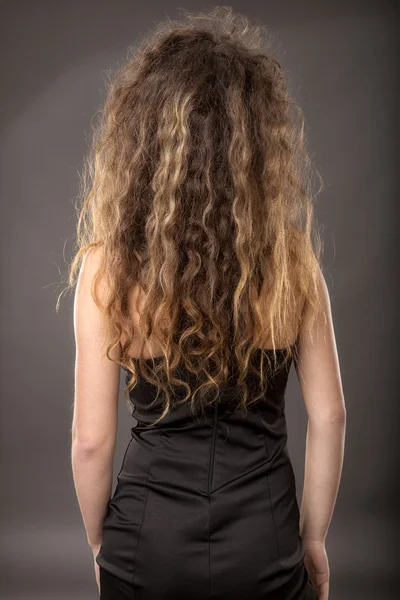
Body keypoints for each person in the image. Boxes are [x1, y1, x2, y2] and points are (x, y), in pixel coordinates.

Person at [67, 7, 346, 600]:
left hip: (146, 542)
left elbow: (90, 442)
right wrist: (314, 539)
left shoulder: (106, 271)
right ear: (256, 152)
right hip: (266, 545)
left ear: (141, 145)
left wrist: (101, 542)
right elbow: (330, 417)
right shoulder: (293, 264)